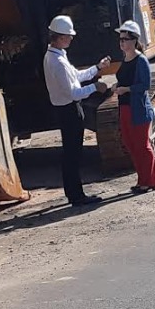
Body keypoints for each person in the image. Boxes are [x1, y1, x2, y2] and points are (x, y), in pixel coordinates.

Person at [42, 14, 112, 208]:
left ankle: (74, 193)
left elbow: (76, 76)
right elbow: (74, 93)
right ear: (59, 37)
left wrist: (97, 68)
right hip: (69, 111)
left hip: (66, 110)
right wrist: (95, 87)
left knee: (71, 154)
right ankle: (76, 195)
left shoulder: (56, 56)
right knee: (72, 155)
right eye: (68, 36)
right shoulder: (57, 62)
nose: (71, 38)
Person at [111, 20, 155, 194]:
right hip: (124, 107)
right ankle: (142, 180)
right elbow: (125, 78)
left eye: (125, 39)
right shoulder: (125, 59)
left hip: (137, 109)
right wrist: (116, 86)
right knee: (131, 146)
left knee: (142, 146)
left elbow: (144, 85)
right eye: (120, 39)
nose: (122, 42)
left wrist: (127, 89)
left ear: (134, 40)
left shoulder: (141, 60)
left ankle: (149, 181)